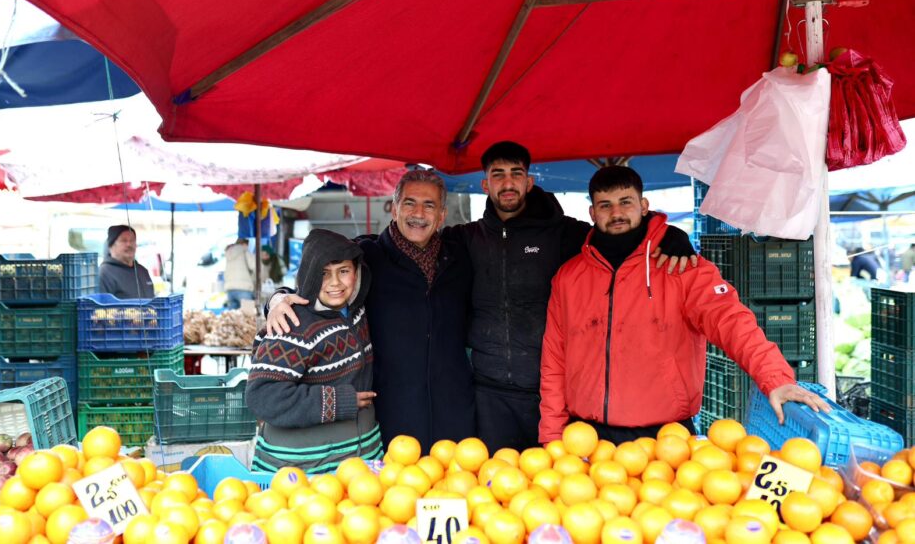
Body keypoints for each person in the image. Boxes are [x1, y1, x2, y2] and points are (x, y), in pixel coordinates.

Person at [538, 166, 829, 443]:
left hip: (666, 437)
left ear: (643, 205)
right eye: (605, 205)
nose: (616, 213)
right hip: (587, 437)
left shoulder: (683, 268)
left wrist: (774, 377)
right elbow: (554, 361)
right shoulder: (569, 277)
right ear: (592, 213)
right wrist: (551, 437)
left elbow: (731, 321)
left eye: (625, 202)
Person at [444, 142, 698, 453]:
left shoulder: (565, 233)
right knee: (499, 485)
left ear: (529, 181)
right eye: (498, 175)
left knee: (555, 486)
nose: (508, 183)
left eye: (516, 173)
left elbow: (616, 233)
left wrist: (671, 236)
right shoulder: (468, 238)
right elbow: (423, 241)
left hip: (550, 393)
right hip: (490, 393)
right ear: (485, 184)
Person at [266, 170, 476, 450]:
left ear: (441, 215)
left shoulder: (459, 258)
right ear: (394, 207)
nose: (418, 213)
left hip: (454, 412)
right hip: (390, 413)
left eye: (429, 205)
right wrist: (277, 299)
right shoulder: (367, 257)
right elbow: (320, 281)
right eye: (409, 203)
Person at [246, 229, 382, 473]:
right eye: (323, 273)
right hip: (300, 468)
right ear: (309, 275)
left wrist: (278, 295)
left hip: (358, 461)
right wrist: (339, 402)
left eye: (343, 271)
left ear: (357, 271)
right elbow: (262, 396)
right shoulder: (291, 324)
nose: (335, 283)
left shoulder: (358, 309)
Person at [98, 225, 154, 299]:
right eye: (124, 240)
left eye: (132, 240)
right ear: (111, 246)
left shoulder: (142, 271)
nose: (129, 244)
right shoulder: (104, 273)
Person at [224, 238, 256, 309]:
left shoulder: (229, 252)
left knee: (233, 316)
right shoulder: (244, 250)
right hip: (244, 288)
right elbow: (254, 265)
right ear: (245, 244)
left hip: (230, 288)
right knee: (248, 315)